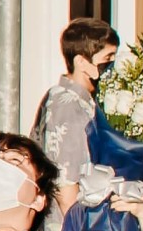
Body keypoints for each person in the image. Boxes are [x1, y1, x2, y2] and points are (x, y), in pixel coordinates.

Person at [30, 22, 117, 194]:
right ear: (81, 62)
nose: (113, 65)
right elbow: (65, 181)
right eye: (108, 58)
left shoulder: (85, 100)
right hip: (73, 209)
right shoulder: (67, 104)